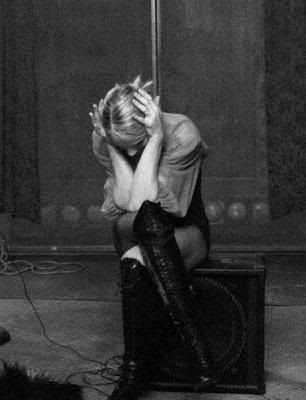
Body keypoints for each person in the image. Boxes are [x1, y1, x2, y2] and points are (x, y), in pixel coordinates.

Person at [90, 76, 217, 400]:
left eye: (137, 142)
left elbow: (151, 204)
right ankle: (197, 348)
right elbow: (129, 203)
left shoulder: (182, 133)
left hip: (186, 233)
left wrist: (157, 137)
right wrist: (112, 146)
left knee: (136, 259)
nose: (131, 151)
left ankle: (132, 377)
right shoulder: (105, 138)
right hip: (130, 230)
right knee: (143, 220)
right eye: (123, 145)